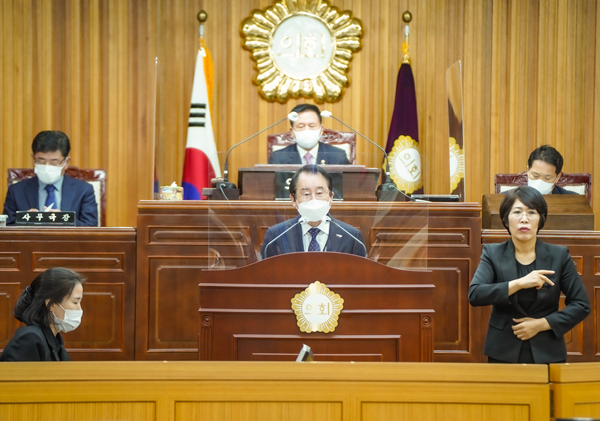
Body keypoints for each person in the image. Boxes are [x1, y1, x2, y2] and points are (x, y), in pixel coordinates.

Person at [469, 186, 589, 363]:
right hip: (502, 350)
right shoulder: (492, 253)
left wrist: (541, 324)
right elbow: (475, 294)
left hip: (547, 349)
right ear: (506, 218)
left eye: (531, 212)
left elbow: (581, 305)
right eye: (517, 212)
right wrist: (519, 283)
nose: (524, 219)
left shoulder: (559, 256)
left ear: (540, 220)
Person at [261, 165, 366, 258]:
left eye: (319, 193)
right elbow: (264, 276)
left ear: (331, 197)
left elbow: (359, 277)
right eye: (306, 194)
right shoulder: (276, 235)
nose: (313, 199)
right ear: (293, 200)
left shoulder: (352, 236)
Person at [2, 131, 99, 226]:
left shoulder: (84, 190)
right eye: (41, 161)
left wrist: (65, 220)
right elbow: (6, 229)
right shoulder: (16, 191)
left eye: (54, 162)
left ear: (66, 162)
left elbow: (90, 227)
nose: (47, 167)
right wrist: (23, 222)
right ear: (33, 159)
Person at [0, 268, 85, 361]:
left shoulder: (55, 339)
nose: (79, 309)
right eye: (75, 302)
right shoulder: (30, 338)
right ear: (51, 305)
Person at [268, 104, 350, 165]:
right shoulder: (278, 158)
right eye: (301, 126)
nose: (307, 130)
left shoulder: (338, 156)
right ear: (292, 132)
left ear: (321, 129)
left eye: (312, 126)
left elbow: (347, 186)